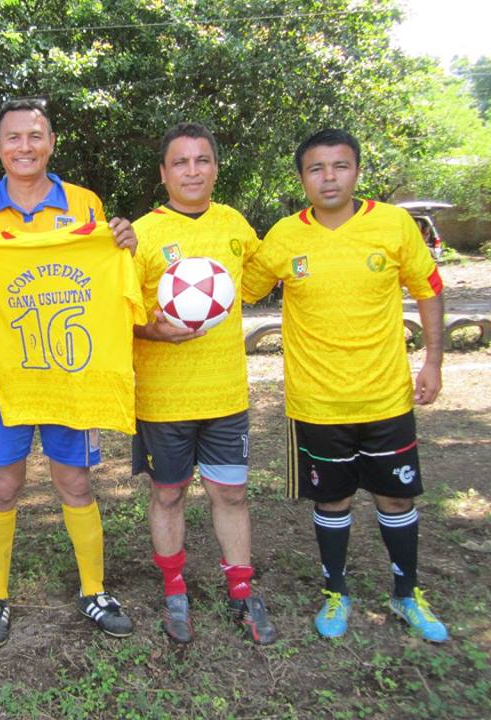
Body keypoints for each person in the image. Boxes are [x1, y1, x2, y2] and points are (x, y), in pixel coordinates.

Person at [243, 128, 448, 642]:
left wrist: (433, 362)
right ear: (302, 178)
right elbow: (241, 286)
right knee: (331, 503)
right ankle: (336, 592)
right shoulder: (286, 235)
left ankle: (406, 595)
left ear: (356, 171)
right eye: (316, 168)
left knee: (396, 499)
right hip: (317, 402)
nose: (329, 177)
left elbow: (429, 288)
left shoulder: (394, 224)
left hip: (386, 396)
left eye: (340, 166)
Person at [0, 99, 137, 647]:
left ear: (51, 141)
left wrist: (122, 242)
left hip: (73, 367)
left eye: (35, 136)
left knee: (74, 480)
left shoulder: (84, 203)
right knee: (2, 483)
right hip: (1, 365)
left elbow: (104, 268)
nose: (24, 147)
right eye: (13, 138)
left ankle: (95, 590)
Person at [131, 123, 277, 645]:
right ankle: (175, 589)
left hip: (225, 394)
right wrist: (152, 329)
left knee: (231, 493)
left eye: (202, 161)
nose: (192, 171)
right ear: (164, 172)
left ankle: (242, 590)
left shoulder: (235, 224)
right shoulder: (143, 234)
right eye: (181, 162)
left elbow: (258, 282)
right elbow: (117, 312)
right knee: (168, 494)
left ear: (216, 167)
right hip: (163, 396)